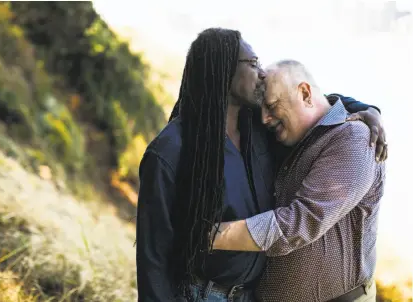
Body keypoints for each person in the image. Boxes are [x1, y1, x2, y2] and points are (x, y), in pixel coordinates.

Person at [136, 28, 387, 302]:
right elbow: (153, 256)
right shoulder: (171, 150)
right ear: (224, 69)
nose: (261, 74)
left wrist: (368, 110)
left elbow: (313, 106)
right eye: (254, 64)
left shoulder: (259, 130)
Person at [211, 60, 386, 302]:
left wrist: (207, 236)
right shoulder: (293, 137)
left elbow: (297, 224)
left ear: (304, 93)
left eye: (272, 106)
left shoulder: (354, 138)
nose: (264, 119)